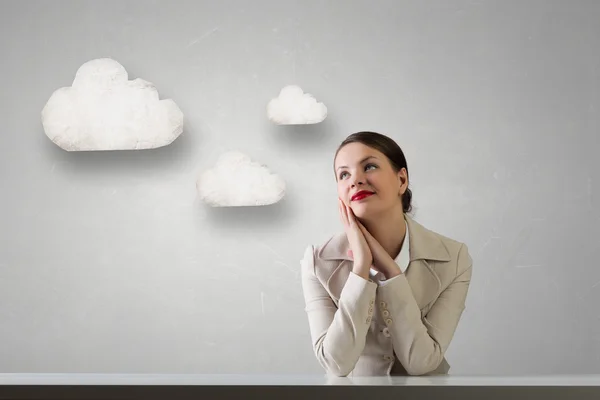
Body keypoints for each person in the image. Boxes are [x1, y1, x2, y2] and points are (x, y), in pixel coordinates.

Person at [300, 131, 473, 377]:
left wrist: (392, 273)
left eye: (369, 166)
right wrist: (360, 266)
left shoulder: (454, 258)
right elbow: (336, 364)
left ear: (402, 180)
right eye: (344, 174)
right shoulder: (318, 262)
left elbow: (421, 362)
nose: (355, 180)